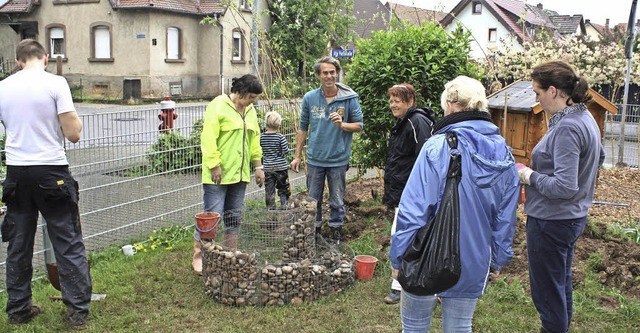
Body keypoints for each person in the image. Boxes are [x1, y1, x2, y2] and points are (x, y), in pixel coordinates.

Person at [389, 76, 519, 332]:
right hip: (474, 260)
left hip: (424, 257)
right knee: (460, 327)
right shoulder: (504, 151)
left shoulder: (437, 147)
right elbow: (505, 216)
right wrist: (498, 260)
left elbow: (413, 212)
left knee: (414, 327)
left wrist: (397, 257)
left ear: (450, 103)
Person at [0, 39, 92, 330]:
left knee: (19, 243)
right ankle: (77, 312)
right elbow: (73, 133)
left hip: (16, 172)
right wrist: (74, 123)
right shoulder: (56, 84)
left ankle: (18, 309)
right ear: (46, 57)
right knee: (67, 241)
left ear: (18, 61)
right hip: (51, 172)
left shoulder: (3, 87)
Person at [518, 60, 605, 333]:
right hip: (570, 217)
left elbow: (565, 187)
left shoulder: (568, 127)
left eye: (538, 92)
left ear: (553, 90)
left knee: (547, 293)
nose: (537, 98)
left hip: (552, 221)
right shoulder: (584, 116)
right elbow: (598, 157)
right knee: (559, 284)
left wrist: (527, 176)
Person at [193, 74, 265, 275]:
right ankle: (201, 256)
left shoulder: (250, 111)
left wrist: (258, 167)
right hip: (219, 174)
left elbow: (254, 141)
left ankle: (229, 253)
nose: (252, 101)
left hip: (239, 175)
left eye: (254, 98)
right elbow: (208, 138)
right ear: (240, 92)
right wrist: (214, 164)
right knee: (212, 216)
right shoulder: (218, 105)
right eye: (250, 97)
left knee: (234, 216)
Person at [290, 56, 363, 244]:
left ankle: (335, 236)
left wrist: (343, 124)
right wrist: (297, 156)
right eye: (325, 73)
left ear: (337, 73)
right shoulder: (310, 98)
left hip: (338, 159)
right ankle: (314, 234)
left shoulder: (349, 98)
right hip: (315, 159)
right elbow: (303, 127)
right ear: (318, 75)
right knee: (313, 200)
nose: (329, 76)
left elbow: (359, 125)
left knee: (337, 200)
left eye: (332, 72)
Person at [382, 83, 434, 305]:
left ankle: (399, 286)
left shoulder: (417, 122)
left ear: (411, 101)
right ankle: (411, 281)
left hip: (411, 194)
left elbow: (426, 157)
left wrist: (418, 192)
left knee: (402, 235)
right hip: (401, 191)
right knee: (405, 235)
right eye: (391, 100)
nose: (393, 104)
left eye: (398, 100)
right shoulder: (403, 123)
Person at [260, 111, 291, 210]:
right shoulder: (280, 137)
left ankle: (270, 209)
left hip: (268, 168)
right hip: (281, 167)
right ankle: (284, 205)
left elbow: (259, 149)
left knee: (269, 189)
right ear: (278, 124)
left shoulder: (262, 137)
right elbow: (286, 151)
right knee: (283, 186)